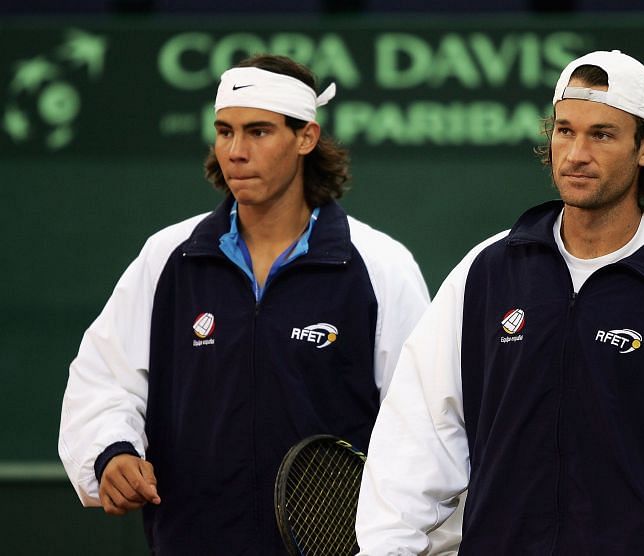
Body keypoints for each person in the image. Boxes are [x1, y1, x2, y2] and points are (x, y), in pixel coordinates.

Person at [356, 50, 644, 555]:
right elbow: (416, 440)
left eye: (601, 134)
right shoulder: (485, 271)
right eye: (564, 130)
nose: (575, 153)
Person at [58, 53, 430, 554]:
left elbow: (423, 426)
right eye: (225, 131)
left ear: (306, 138)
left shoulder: (381, 266)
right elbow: (104, 378)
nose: (236, 151)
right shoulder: (168, 257)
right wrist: (110, 452)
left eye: (258, 131)